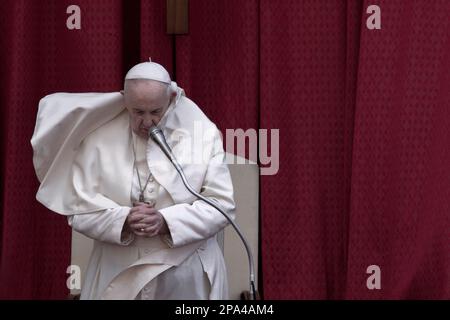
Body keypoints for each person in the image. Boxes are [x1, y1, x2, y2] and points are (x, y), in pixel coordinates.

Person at [31, 60, 236, 299]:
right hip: (118, 271)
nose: (147, 122)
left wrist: (166, 221)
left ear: (170, 99)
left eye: (156, 112)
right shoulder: (98, 138)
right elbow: (77, 211)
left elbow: (222, 206)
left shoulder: (202, 133)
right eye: (138, 112)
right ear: (125, 101)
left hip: (185, 276)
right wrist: (123, 220)